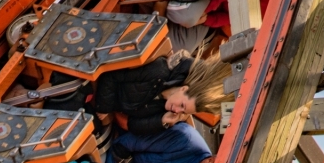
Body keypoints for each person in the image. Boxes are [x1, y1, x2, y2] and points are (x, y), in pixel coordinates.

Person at [94, 53, 231, 136]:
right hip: (96, 86)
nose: (177, 110)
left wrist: (161, 120)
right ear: (183, 89)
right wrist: (104, 107)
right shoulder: (158, 72)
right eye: (182, 105)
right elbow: (110, 76)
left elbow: (133, 125)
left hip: (105, 108)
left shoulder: (166, 109)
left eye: (183, 111)